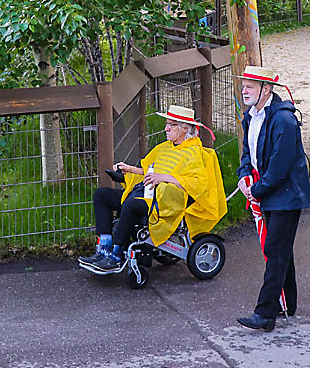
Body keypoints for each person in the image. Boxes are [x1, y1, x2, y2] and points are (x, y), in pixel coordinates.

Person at [80, 105, 222, 275]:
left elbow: (198, 184)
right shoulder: (164, 148)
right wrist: (130, 169)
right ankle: (104, 248)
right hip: (146, 193)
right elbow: (149, 170)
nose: (166, 128)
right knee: (102, 195)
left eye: (172, 125)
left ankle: (116, 255)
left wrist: (165, 178)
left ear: (185, 128)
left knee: (131, 205)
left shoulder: (194, 153)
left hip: (165, 202)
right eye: (167, 124)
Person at [236, 66, 310, 332]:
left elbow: (280, 167)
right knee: (281, 249)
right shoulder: (250, 116)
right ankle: (286, 303)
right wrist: (244, 177)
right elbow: (248, 152)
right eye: (244, 85)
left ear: (266, 90)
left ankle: (265, 312)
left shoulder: (284, 120)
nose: (244, 90)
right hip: (269, 190)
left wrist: (256, 190)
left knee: (275, 250)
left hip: (287, 194)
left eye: (250, 86)